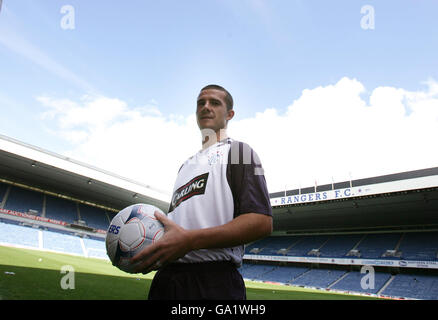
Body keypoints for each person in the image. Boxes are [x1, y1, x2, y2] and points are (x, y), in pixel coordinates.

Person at [131, 84, 273, 300]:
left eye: (215, 103)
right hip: (167, 280)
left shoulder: (239, 152)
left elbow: (261, 222)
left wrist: (189, 241)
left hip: (212, 281)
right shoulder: (185, 166)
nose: (206, 107)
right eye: (201, 103)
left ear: (229, 114)